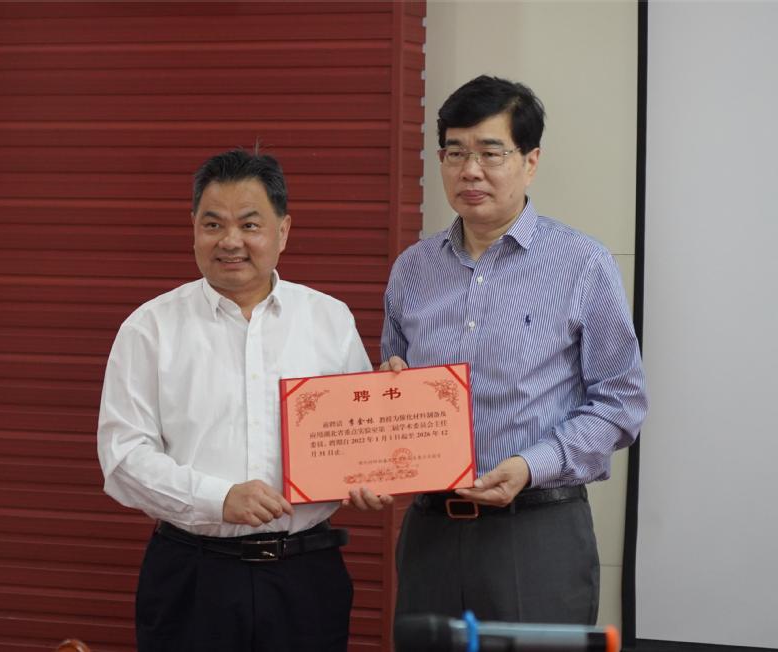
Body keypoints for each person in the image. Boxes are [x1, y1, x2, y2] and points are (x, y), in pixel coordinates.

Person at [379, 76, 648, 625]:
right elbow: (393, 380)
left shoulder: (582, 263)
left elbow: (620, 403)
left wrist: (531, 465)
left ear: (531, 161)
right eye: (455, 152)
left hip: (537, 531)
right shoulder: (413, 269)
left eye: (490, 152)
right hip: (430, 531)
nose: (469, 170)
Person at [97, 148, 386, 652]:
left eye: (250, 225)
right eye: (213, 224)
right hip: (191, 578)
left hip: (305, 577)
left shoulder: (329, 319)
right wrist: (220, 499)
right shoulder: (150, 328)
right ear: (193, 229)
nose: (230, 241)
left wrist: (375, 471)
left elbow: (361, 438)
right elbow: (123, 458)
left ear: (283, 231)